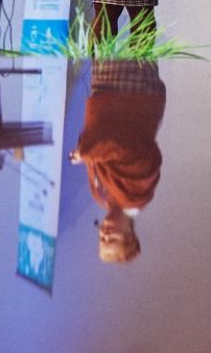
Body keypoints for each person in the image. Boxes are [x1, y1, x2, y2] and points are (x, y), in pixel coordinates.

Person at [69, 61, 166, 264]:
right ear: (129, 235)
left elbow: (92, 141)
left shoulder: (100, 198)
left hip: (103, 90)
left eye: (101, 239)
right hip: (132, 90)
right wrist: (86, 153)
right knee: (139, 30)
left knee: (100, 29)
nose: (104, 234)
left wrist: (84, 151)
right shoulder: (138, 193)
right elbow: (127, 147)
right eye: (111, 239)